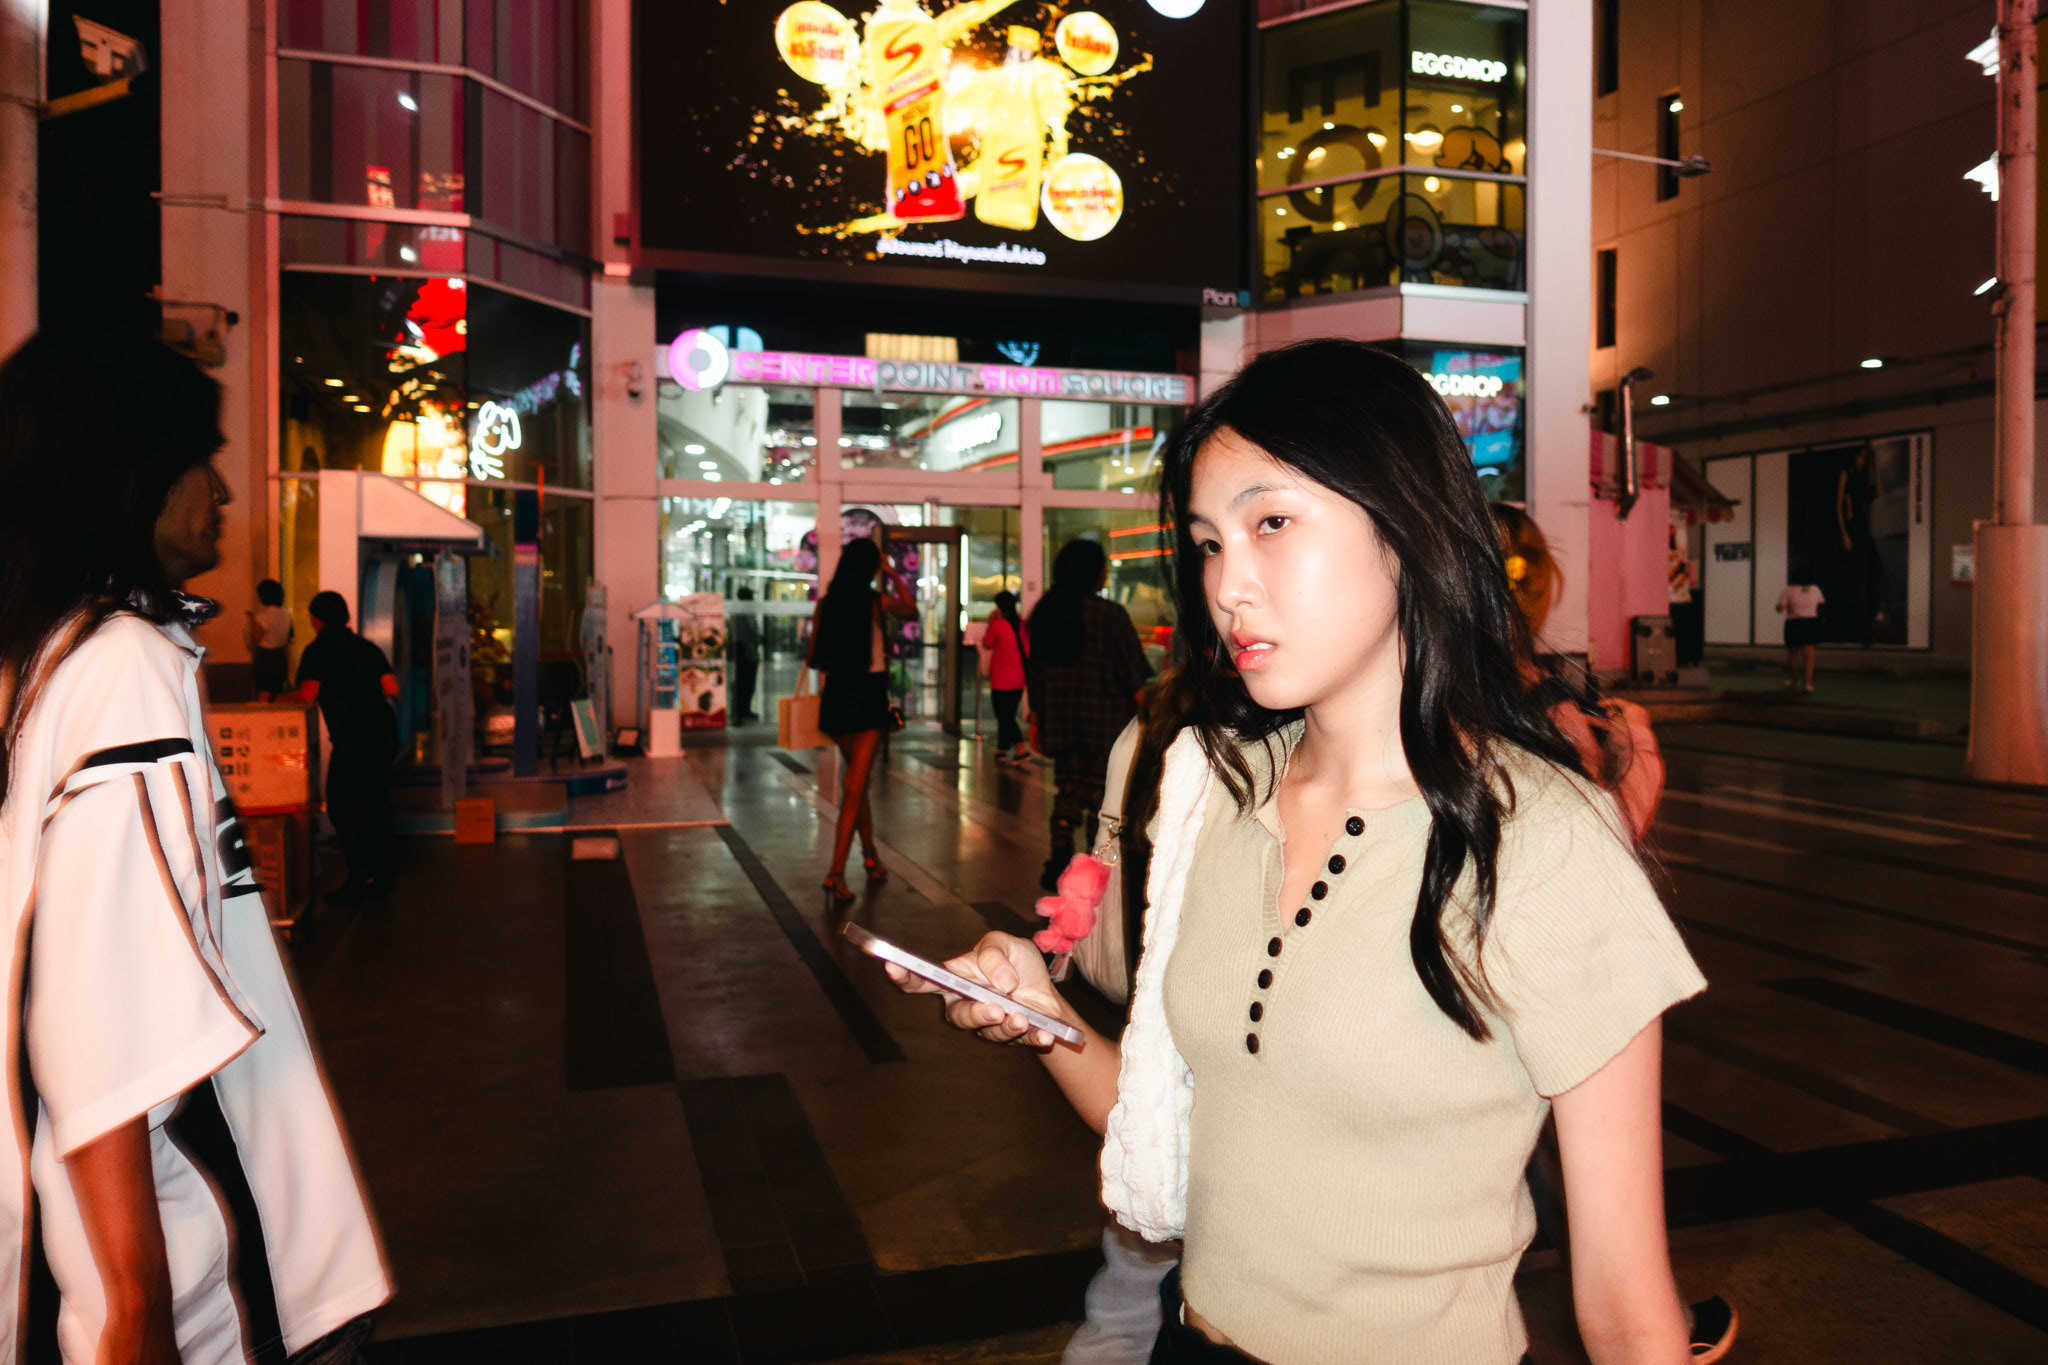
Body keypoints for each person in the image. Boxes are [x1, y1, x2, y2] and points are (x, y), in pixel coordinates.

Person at [889, 340, 1706, 1365]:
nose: (1227, 586)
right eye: (1206, 542)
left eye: (1270, 524)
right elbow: (1190, 1164)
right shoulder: (1210, 792)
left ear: (1405, 528)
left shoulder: (1537, 837)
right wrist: (1045, 1019)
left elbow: (1631, 1315)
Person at [0, 332, 389, 1363]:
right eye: (196, 461)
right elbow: (89, 1019)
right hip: (200, 1266)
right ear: (124, 476)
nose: (221, 491)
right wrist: (138, 1312)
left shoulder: (51, 657)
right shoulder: (126, 671)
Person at [1025, 539, 1151, 892]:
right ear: (1091, 571)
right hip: (1107, 724)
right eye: (1103, 566)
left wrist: (1037, 719)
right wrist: (1152, 716)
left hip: (1062, 722)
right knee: (1102, 797)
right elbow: (1133, 676)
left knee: (1067, 788)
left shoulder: (1046, 614)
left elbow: (1035, 673)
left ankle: (1060, 849)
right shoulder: (1110, 615)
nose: (1106, 573)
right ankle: (1093, 867)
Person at [807, 538, 917, 901]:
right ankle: (835, 872)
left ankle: (870, 856)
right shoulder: (875, 601)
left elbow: (812, 654)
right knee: (854, 785)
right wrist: (892, 573)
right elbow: (911, 611)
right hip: (868, 698)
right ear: (871, 568)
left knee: (857, 781)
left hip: (837, 696)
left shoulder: (825, 605)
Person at [294, 592, 400, 899]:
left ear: (316, 620)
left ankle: (358, 876)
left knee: (342, 806)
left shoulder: (317, 651)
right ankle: (382, 875)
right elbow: (391, 688)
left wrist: (272, 700)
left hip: (352, 737)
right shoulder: (367, 647)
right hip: (382, 732)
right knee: (377, 801)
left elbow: (307, 695)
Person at [978, 589, 1030, 764]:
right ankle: (1001, 751)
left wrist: (990, 622)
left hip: (1001, 680)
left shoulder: (998, 624)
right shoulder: (1022, 624)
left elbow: (987, 643)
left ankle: (1021, 748)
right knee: (1006, 715)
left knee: (1005, 716)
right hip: (1018, 678)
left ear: (999, 607)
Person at [245, 577, 294, 699]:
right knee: (277, 695)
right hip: (281, 658)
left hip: (265, 659)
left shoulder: (263, 617)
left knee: (264, 695)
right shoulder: (286, 615)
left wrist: (250, 623)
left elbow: (252, 643)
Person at [1775, 580, 1824, 693]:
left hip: (1794, 623)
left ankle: (1795, 681)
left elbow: (1780, 608)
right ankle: (1807, 684)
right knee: (1808, 653)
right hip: (1810, 622)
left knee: (1793, 653)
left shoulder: (1788, 590)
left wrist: (1779, 607)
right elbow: (1821, 605)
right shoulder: (1815, 588)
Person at [730, 586, 763, 724]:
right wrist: (758, 638)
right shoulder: (741, 613)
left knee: (749, 683)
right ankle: (739, 711)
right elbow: (746, 633)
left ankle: (745, 710)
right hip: (744, 651)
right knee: (743, 682)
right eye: (751, 596)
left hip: (749, 651)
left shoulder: (747, 612)